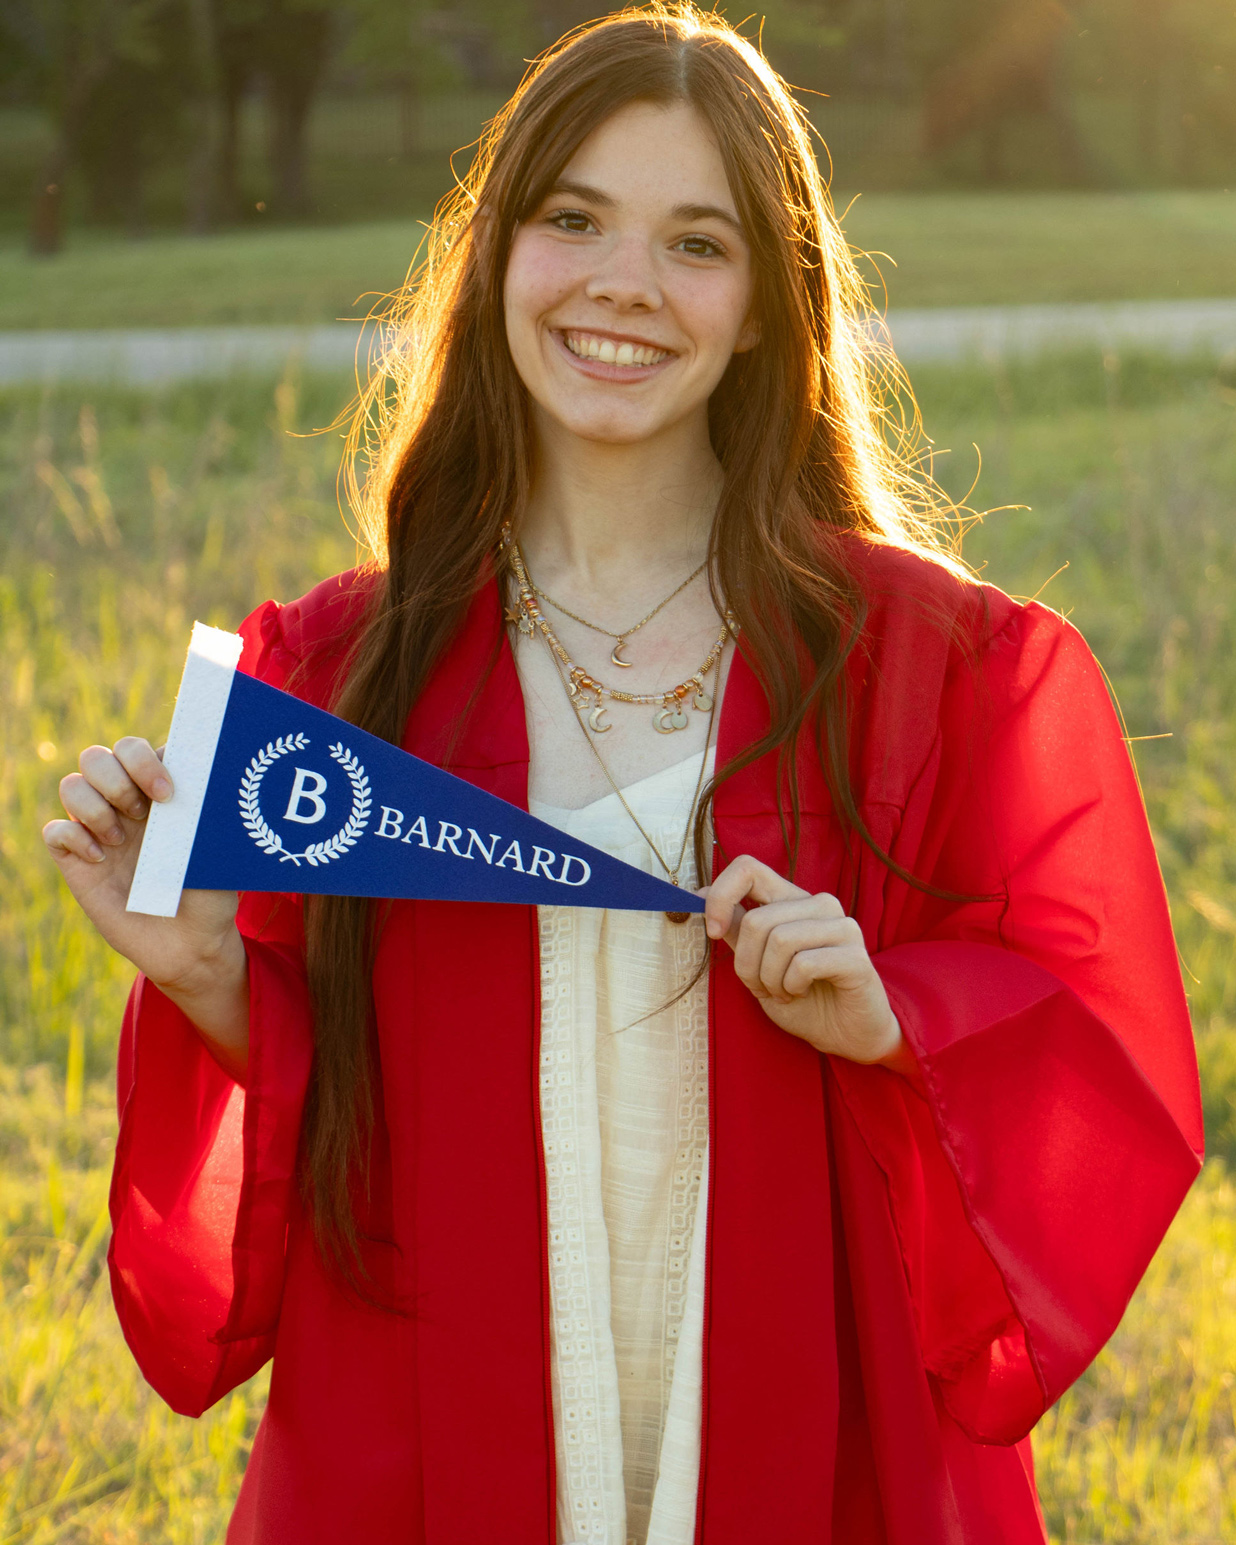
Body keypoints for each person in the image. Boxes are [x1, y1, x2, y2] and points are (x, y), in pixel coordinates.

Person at [43, 7, 1202, 1543]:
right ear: (498, 253)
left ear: (765, 304)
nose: (622, 286)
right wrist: (206, 979)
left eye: (695, 243)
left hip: (818, 1429)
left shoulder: (941, 675)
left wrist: (896, 1017)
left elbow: (1097, 1056)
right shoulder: (339, 674)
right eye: (573, 218)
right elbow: (326, 1155)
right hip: (443, 1436)